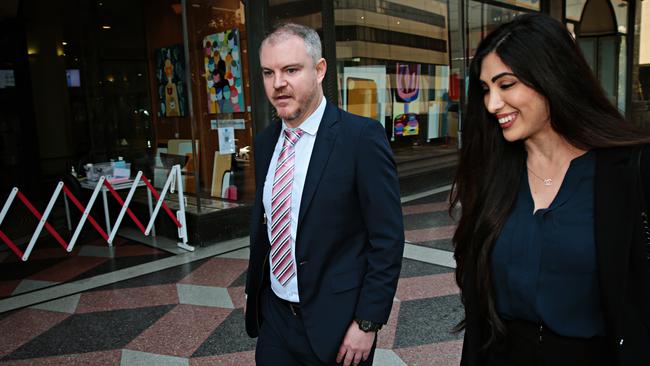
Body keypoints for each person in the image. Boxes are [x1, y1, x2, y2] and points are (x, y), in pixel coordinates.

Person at [450, 13, 650, 366]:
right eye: (485, 89)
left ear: (551, 76)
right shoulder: (493, 172)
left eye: (506, 84)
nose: (492, 104)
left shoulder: (629, 170)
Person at [244, 23, 404, 366]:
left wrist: (367, 323)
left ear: (319, 70)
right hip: (276, 318)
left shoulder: (361, 138)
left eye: (291, 70)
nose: (278, 84)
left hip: (339, 325)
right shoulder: (264, 143)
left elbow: (387, 239)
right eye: (268, 72)